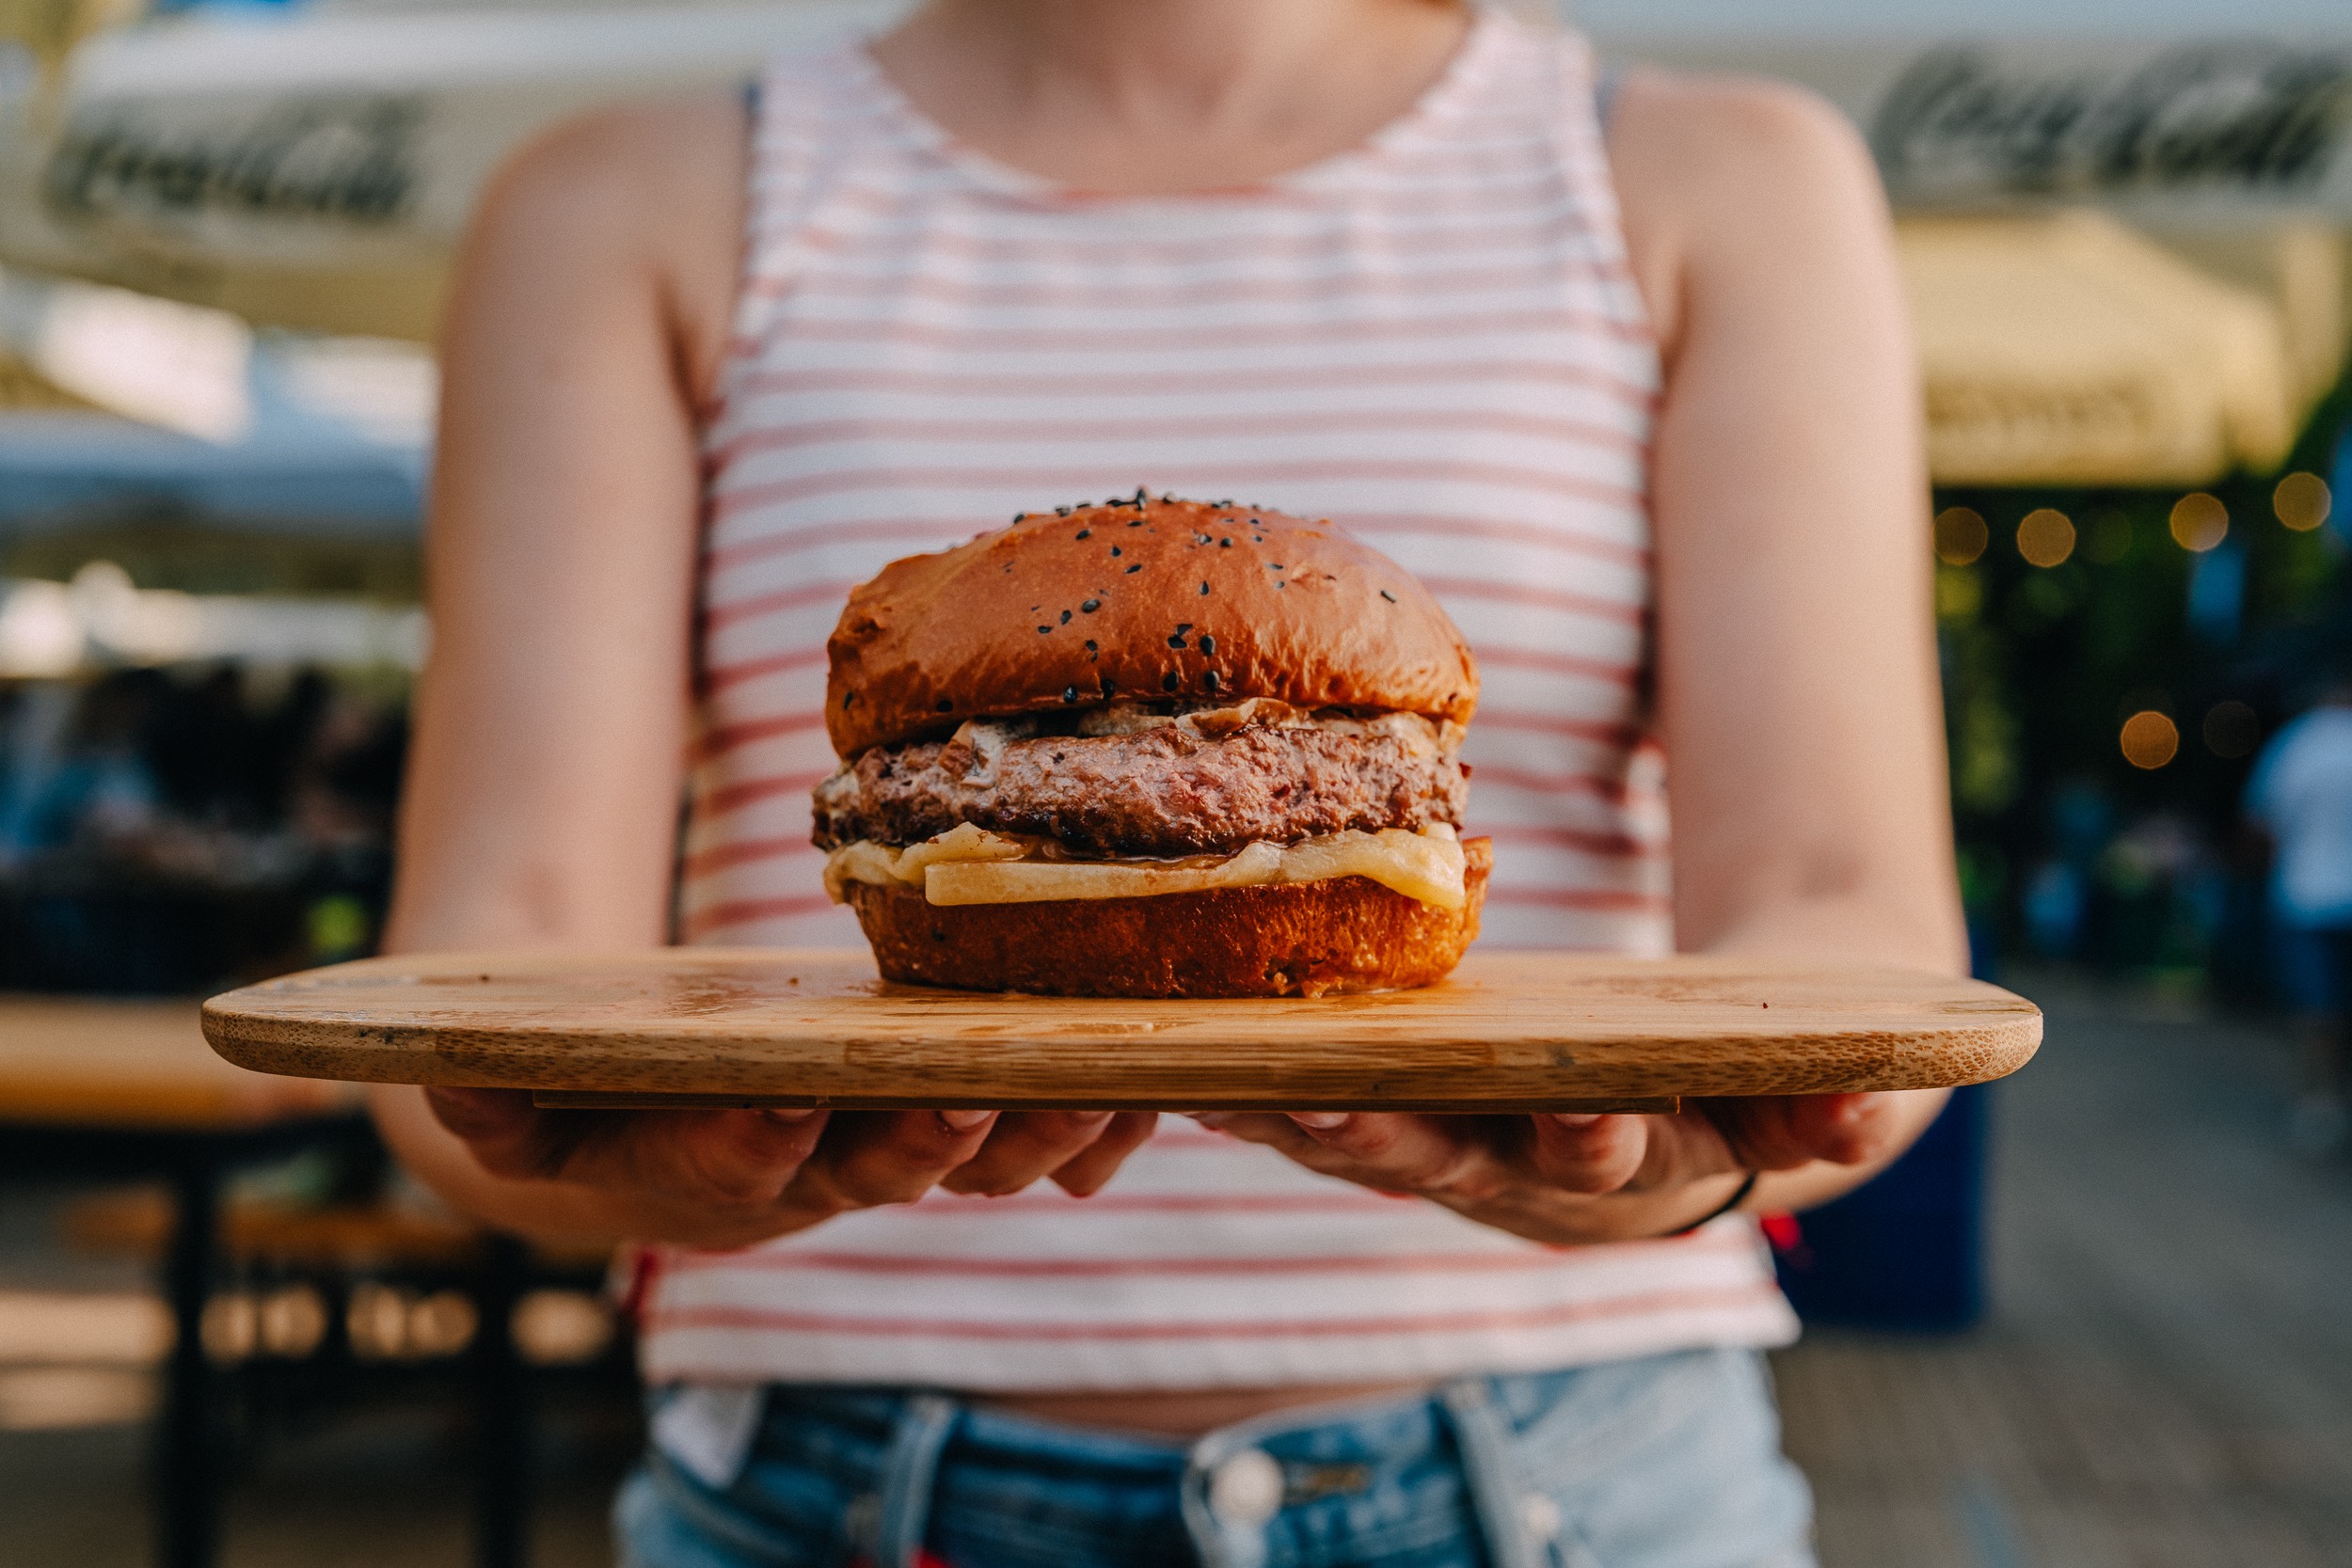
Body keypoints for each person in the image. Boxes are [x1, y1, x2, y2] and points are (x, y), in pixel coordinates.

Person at [370, 1, 1966, 1562]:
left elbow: (1842, 911)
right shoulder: (623, 203)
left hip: (1585, 1477)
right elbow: (488, 960)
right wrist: (612, 1159)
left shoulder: (1710, 175)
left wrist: (1711, 1153)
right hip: (819, 1484)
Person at [2246, 676, 2352, 1158]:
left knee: (2316, 1012)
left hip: (2304, 896)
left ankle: (2320, 1106)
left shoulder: (2296, 744)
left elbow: (2262, 823)